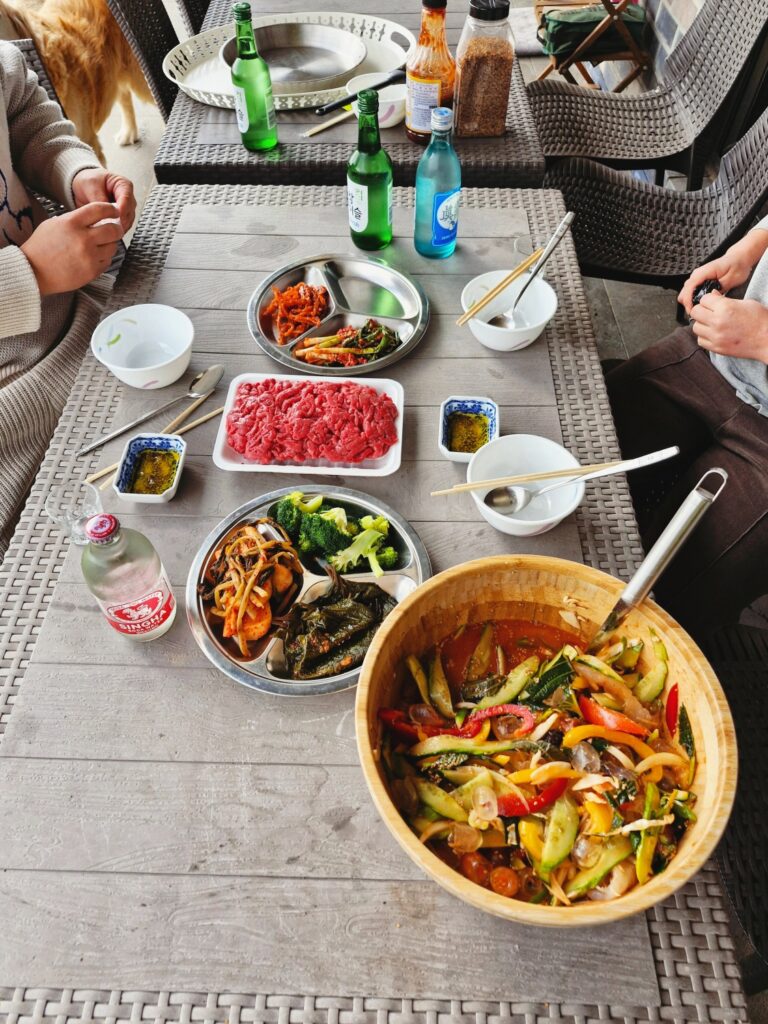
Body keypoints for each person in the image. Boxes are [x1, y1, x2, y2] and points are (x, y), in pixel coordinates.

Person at [0, 40, 135, 557]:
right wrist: (27, 273)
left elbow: (24, 111)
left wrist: (74, 173)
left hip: (92, 310)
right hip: (19, 405)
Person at [605, 219, 768, 642]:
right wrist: (746, 252)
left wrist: (763, 336)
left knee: (655, 606)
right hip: (719, 358)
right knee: (573, 445)